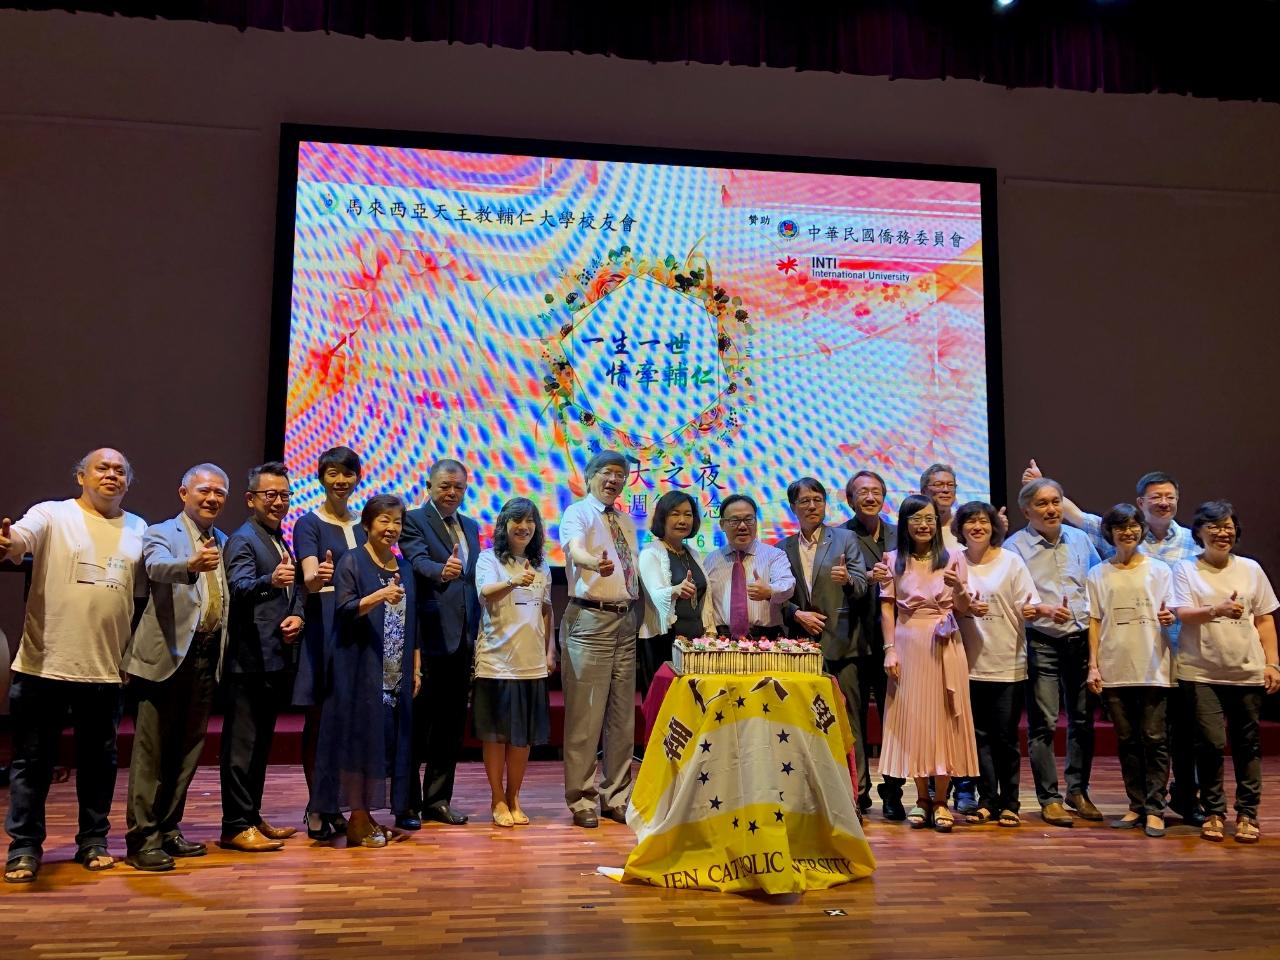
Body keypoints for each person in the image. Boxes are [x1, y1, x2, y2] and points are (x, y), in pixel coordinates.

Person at [1022, 461, 1202, 822]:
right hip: (1093, 652)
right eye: (1156, 497)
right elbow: (1082, 524)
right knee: (1121, 734)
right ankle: (1127, 803)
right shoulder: (1086, 561)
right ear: (1141, 503)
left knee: (1173, 733)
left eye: (1169, 496)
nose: (1163, 502)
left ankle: (1178, 800)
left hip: (1171, 652)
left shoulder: (1188, 542)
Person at [1, 448, 146, 883]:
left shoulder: (138, 528)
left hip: (105, 670)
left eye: (120, 470)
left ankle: (93, 841)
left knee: (99, 764)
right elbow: (20, 539)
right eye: (102, 468)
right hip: (43, 666)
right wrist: (9, 542)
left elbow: (138, 598)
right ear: (81, 476)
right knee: (32, 763)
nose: (111, 475)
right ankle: (24, 848)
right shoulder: (52, 514)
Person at [122, 463, 231, 871]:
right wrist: (190, 565)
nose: (212, 498)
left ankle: (168, 828)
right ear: (184, 493)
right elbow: (155, 568)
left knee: (188, 750)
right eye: (204, 490)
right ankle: (142, 839)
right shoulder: (161, 533)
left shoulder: (223, 540)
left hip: (206, 656)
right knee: (151, 753)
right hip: (166, 657)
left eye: (219, 493)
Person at [1170, 501, 1280, 843]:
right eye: (1215, 526)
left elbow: (1264, 619)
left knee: (1247, 744)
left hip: (1246, 670)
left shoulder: (1250, 569)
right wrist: (1216, 609)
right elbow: (1182, 614)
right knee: (1210, 743)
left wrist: (1272, 662)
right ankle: (1214, 811)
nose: (1223, 533)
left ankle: (1247, 813)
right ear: (1199, 532)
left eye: (1228, 526)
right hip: (1200, 671)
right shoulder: (1185, 568)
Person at [314, 495, 420, 848]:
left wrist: (416, 667)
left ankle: (368, 816)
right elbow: (344, 609)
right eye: (384, 520)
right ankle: (357, 818)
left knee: (381, 742)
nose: (391, 528)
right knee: (357, 741)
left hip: (395, 671)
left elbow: (413, 620)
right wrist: (379, 596)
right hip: (359, 668)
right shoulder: (352, 561)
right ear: (367, 525)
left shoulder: (404, 567)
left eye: (397, 522)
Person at [1004, 478, 1103, 828]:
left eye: (1056, 501)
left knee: (1082, 720)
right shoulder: (1014, 548)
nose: (1052, 509)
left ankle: (1078, 790)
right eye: (1042, 503)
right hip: (1041, 640)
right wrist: (1041, 610)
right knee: (1044, 722)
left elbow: (1096, 581)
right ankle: (1049, 798)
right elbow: (1012, 600)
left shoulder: (1080, 539)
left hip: (1080, 639)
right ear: (1026, 510)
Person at [874, 494, 976, 833]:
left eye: (929, 518)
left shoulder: (955, 557)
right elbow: (887, 607)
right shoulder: (892, 560)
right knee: (915, 720)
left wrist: (959, 588)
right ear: (905, 523)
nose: (923, 524)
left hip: (946, 642)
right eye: (916, 518)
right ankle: (921, 798)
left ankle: (942, 799)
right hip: (908, 643)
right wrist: (890, 649)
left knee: (946, 719)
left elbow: (963, 607)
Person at [219, 461, 306, 853]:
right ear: (250, 499)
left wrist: (297, 616)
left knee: (259, 747)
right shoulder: (243, 539)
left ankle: (251, 817)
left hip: (273, 658)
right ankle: (235, 825)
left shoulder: (276, 538)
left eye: (284, 495)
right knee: (241, 747)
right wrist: (269, 582)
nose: (278, 502)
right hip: (248, 661)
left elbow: (294, 590)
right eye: (270, 494)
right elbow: (238, 588)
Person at [557, 451, 641, 828]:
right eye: (607, 473)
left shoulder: (625, 520)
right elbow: (575, 549)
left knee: (622, 717)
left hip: (626, 620)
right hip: (590, 620)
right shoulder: (578, 513)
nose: (614, 480)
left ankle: (616, 796)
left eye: (620, 475)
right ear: (590, 476)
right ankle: (581, 799)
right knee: (585, 716)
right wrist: (592, 562)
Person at [1084, 504, 1177, 837]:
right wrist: (1093, 666)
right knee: (1126, 739)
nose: (1128, 532)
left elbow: (1172, 611)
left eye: (1134, 526)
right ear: (1110, 532)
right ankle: (1136, 804)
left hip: (1154, 666)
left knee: (1154, 738)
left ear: (1141, 529)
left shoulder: (1160, 570)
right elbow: (1094, 621)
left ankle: (1155, 808)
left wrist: (1170, 617)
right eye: (1120, 527)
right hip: (1114, 667)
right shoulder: (1098, 573)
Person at [779, 478, 869, 810]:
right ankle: (813, 795)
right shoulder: (783, 548)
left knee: (849, 721)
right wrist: (797, 614)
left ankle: (857, 795)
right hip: (801, 647)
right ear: (793, 507)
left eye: (817, 500)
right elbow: (779, 598)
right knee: (806, 722)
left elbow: (862, 586)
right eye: (805, 501)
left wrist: (848, 580)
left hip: (842, 642)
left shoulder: (845, 538)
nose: (812, 506)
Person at [400, 459, 481, 828]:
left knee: (450, 726)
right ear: (429, 486)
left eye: (458, 487)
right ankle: (407, 804)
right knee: (418, 726)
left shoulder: (471, 526)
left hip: (463, 637)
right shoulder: (413, 519)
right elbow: (417, 560)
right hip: (427, 637)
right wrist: (441, 571)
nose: (451, 493)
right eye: (445, 486)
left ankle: (437, 801)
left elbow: (472, 581)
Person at [953, 500, 1042, 828]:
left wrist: (1032, 611)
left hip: (1007, 662)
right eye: (970, 522)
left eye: (984, 522)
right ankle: (987, 800)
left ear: (994, 527)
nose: (977, 527)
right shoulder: (955, 562)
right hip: (967, 663)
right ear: (960, 528)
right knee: (979, 738)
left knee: (1005, 737)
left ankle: (1010, 803)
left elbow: (1028, 604)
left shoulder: (1011, 561)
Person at [293, 446, 366, 840]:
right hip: (325, 625)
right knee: (320, 721)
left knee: (350, 723)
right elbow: (308, 578)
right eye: (333, 473)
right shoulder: (309, 523)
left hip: (360, 626)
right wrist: (318, 575)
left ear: (357, 478)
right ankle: (317, 806)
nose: (341, 480)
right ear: (321, 478)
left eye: (347, 473)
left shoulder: (365, 523)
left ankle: (338, 804)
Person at [473, 498, 555, 827]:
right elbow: (485, 592)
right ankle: (496, 797)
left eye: (530, 521)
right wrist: (512, 581)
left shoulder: (542, 565)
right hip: (497, 660)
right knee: (496, 735)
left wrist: (550, 650)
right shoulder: (488, 558)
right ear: (504, 525)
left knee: (523, 737)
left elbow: (546, 609)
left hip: (531, 662)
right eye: (517, 521)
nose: (524, 527)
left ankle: (514, 796)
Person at [843, 470, 906, 820]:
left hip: (895, 641)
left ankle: (893, 791)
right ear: (850, 499)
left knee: (893, 718)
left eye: (876, 491)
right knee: (853, 720)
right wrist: (864, 577)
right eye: (862, 492)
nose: (870, 497)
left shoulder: (901, 533)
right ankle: (860, 790)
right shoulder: (840, 535)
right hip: (853, 638)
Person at [637, 491, 716, 693]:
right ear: (662, 518)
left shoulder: (693, 553)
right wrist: (676, 590)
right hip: (663, 640)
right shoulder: (650, 552)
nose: (683, 520)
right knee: (664, 703)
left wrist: (709, 630)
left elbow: (704, 596)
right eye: (675, 514)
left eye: (688, 514)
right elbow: (656, 594)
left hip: (695, 642)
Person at [704, 494, 796, 638]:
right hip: (722, 640)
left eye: (749, 519)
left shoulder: (774, 555)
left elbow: (788, 585)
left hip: (765, 639)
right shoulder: (711, 560)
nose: (742, 526)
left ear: (756, 522)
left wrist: (770, 591)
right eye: (734, 521)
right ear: (722, 524)